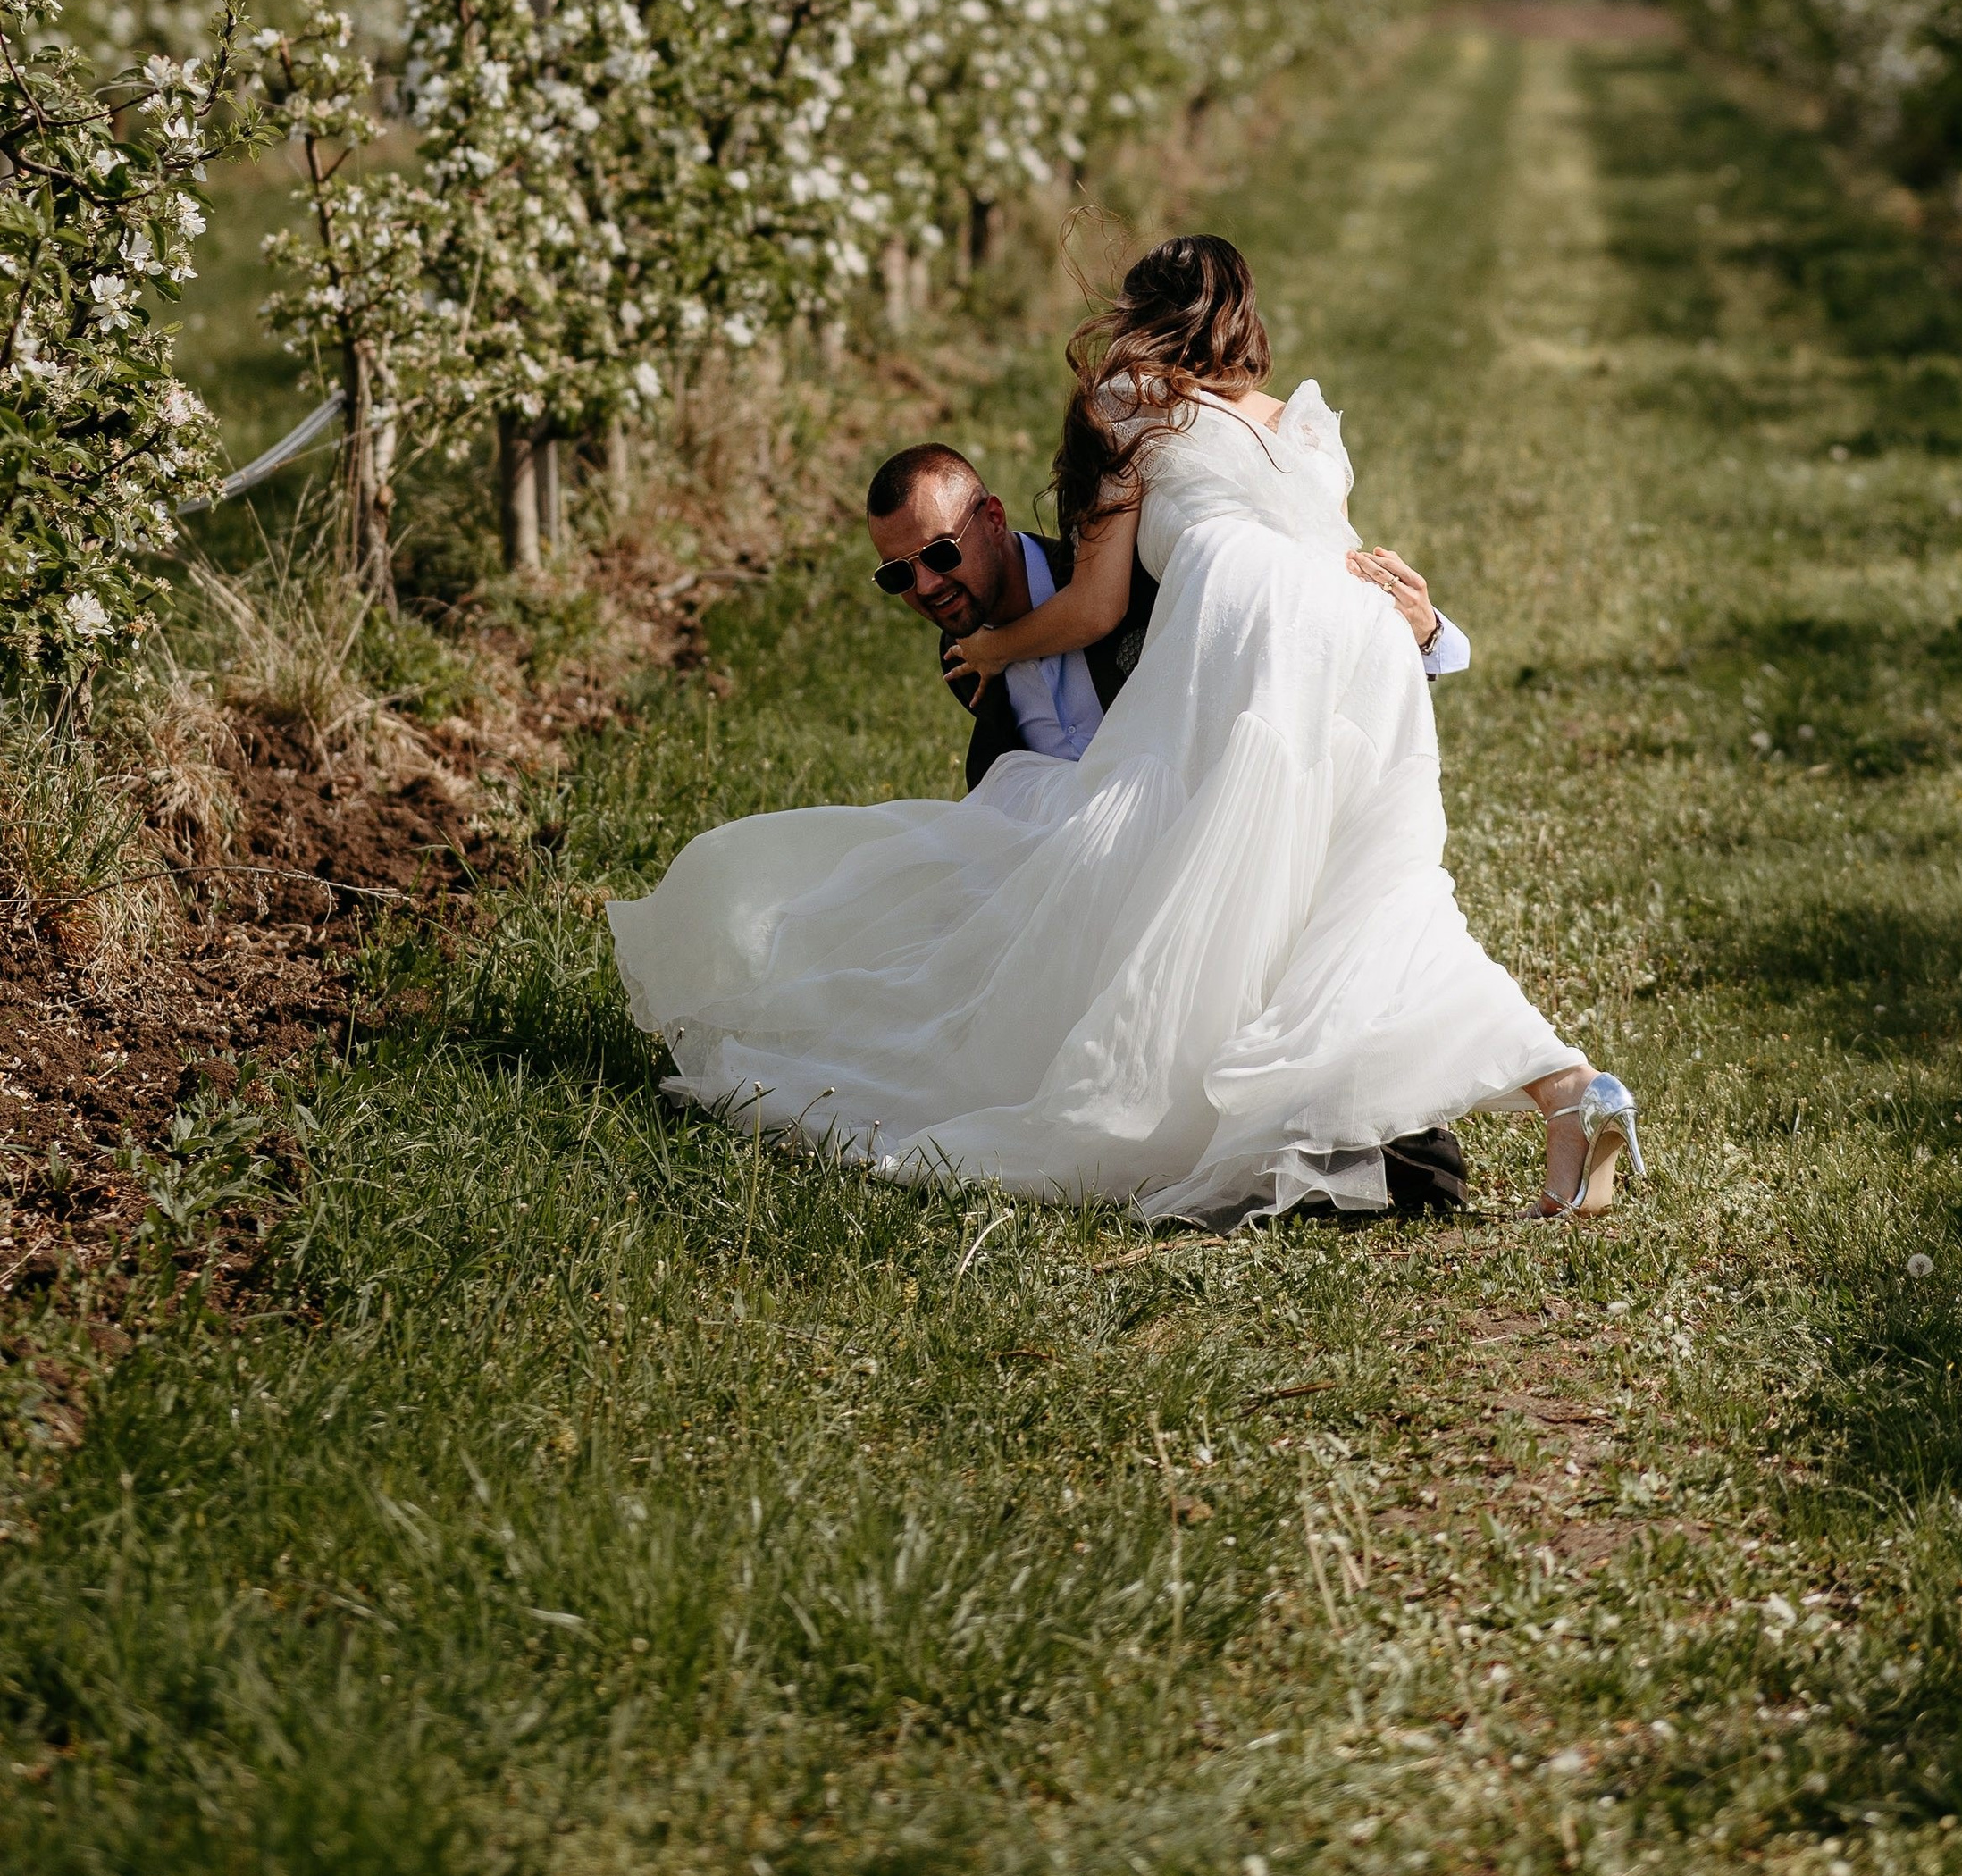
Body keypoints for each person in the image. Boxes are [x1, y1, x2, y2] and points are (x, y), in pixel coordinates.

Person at [608, 234, 1643, 1228]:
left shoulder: (1123, 408)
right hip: (1364, 650)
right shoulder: (1297, 423)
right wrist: (1409, 628)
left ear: (1141, 318)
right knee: (1379, 896)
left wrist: (999, 648)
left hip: (1258, 642)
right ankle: (1569, 1091)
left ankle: (1273, 1110)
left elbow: (1099, 606)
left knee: (1210, 868)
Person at [860, 439, 1472, 790]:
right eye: (898, 574)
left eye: (940, 552)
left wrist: (1423, 637)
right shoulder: (961, 655)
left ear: (992, 518)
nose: (927, 585)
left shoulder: (1121, 578)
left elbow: (1285, 626)